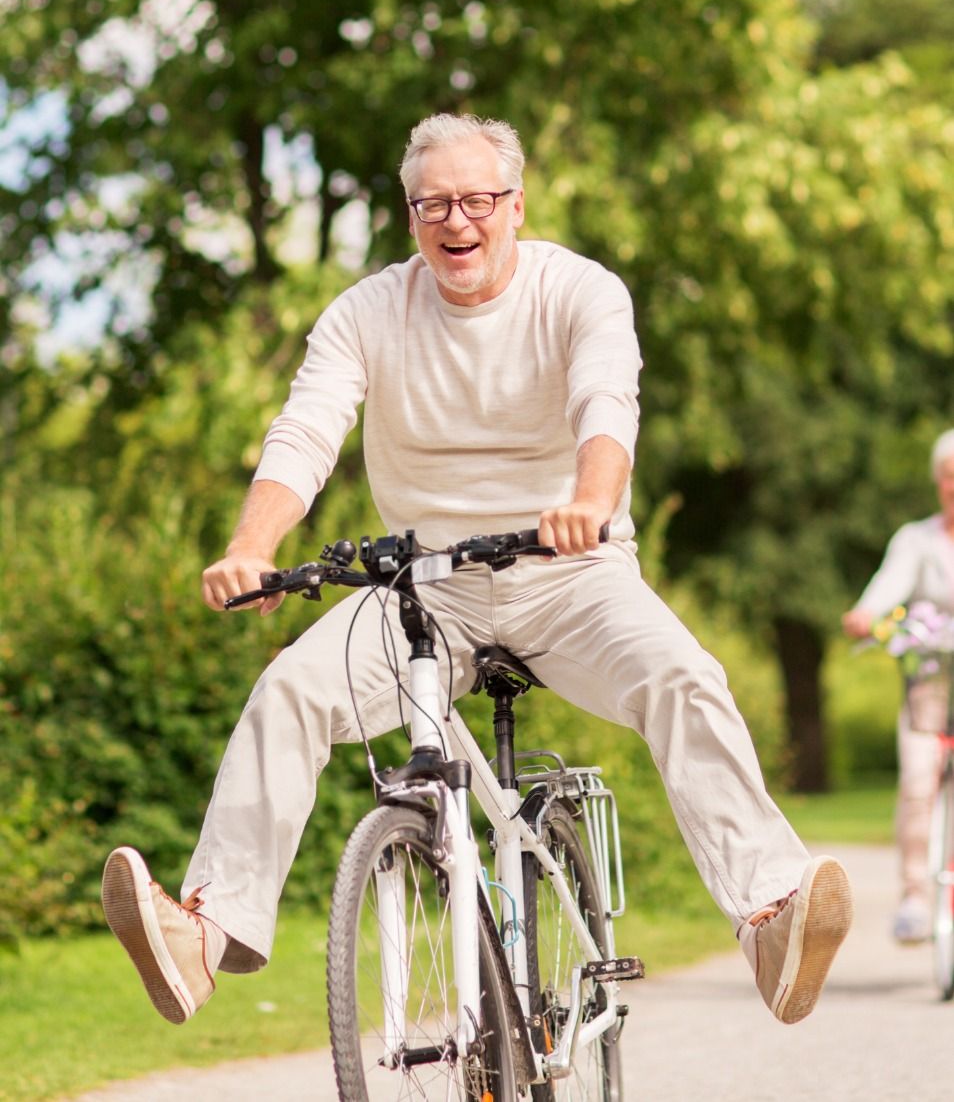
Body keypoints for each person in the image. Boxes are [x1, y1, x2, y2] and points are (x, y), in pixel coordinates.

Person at [102, 112, 852, 1029]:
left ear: (515, 205)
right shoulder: (368, 311)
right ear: (410, 216)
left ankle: (771, 916)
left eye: (476, 200)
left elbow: (606, 404)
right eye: (433, 205)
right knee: (289, 691)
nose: (457, 222)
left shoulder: (579, 291)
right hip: (425, 588)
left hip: (571, 573)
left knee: (684, 677)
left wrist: (590, 500)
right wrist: (250, 548)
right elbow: (306, 431)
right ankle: (203, 936)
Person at [842, 430, 954, 943]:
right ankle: (914, 895)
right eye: (949, 474)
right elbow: (889, 585)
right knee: (917, 782)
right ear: (938, 481)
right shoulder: (918, 540)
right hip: (930, 685)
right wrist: (867, 614)